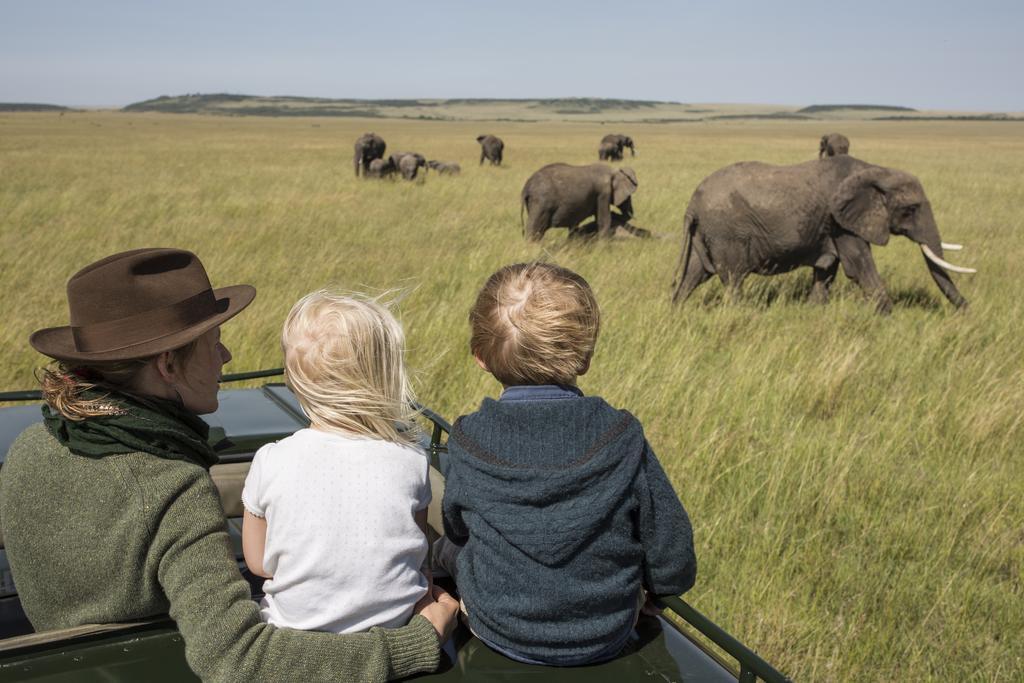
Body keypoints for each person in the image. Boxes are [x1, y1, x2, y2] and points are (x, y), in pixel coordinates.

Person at [0, 248, 457, 682]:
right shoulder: (167, 488)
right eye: (214, 343)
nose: (226, 357)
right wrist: (416, 643)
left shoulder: (31, 445)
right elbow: (240, 661)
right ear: (167, 365)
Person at [437, 262, 697, 666]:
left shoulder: (469, 438)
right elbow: (671, 547)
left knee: (446, 547)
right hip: (606, 635)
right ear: (584, 358)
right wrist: (659, 592)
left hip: (497, 628)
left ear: (481, 358)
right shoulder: (622, 435)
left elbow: (456, 526)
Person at [241, 290, 432, 634]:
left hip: (293, 632)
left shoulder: (271, 460)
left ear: (293, 380)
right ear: (384, 376)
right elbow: (415, 552)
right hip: (395, 627)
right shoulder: (412, 458)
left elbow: (258, 563)